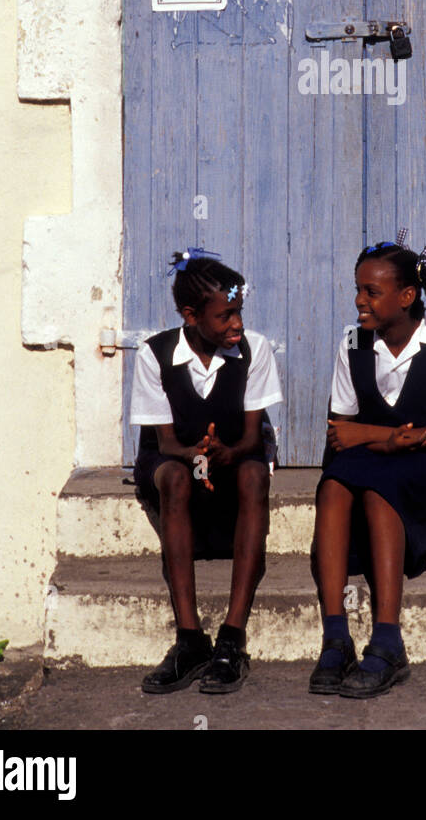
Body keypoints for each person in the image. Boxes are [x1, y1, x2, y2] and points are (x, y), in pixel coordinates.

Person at [310, 232, 426, 699]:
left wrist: (376, 438)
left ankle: (388, 642)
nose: (359, 301)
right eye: (357, 289)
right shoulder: (353, 344)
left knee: (379, 489)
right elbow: (339, 431)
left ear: (407, 296)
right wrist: (391, 437)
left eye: (371, 292)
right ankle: (336, 637)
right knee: (332, 487)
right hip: (375, 455)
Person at [130, 248, 282, 695]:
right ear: (190, 315)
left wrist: (225, 454)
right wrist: (199, 455)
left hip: (233, 455)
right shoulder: (154, 354)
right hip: (175, 459)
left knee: (255, 475)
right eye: (225, 316)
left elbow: (254, 438)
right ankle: (190, 640)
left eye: (239, 312)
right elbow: (166, 443)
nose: (236, 323)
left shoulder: (254, 350)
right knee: (176, 479)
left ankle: (232, 640)